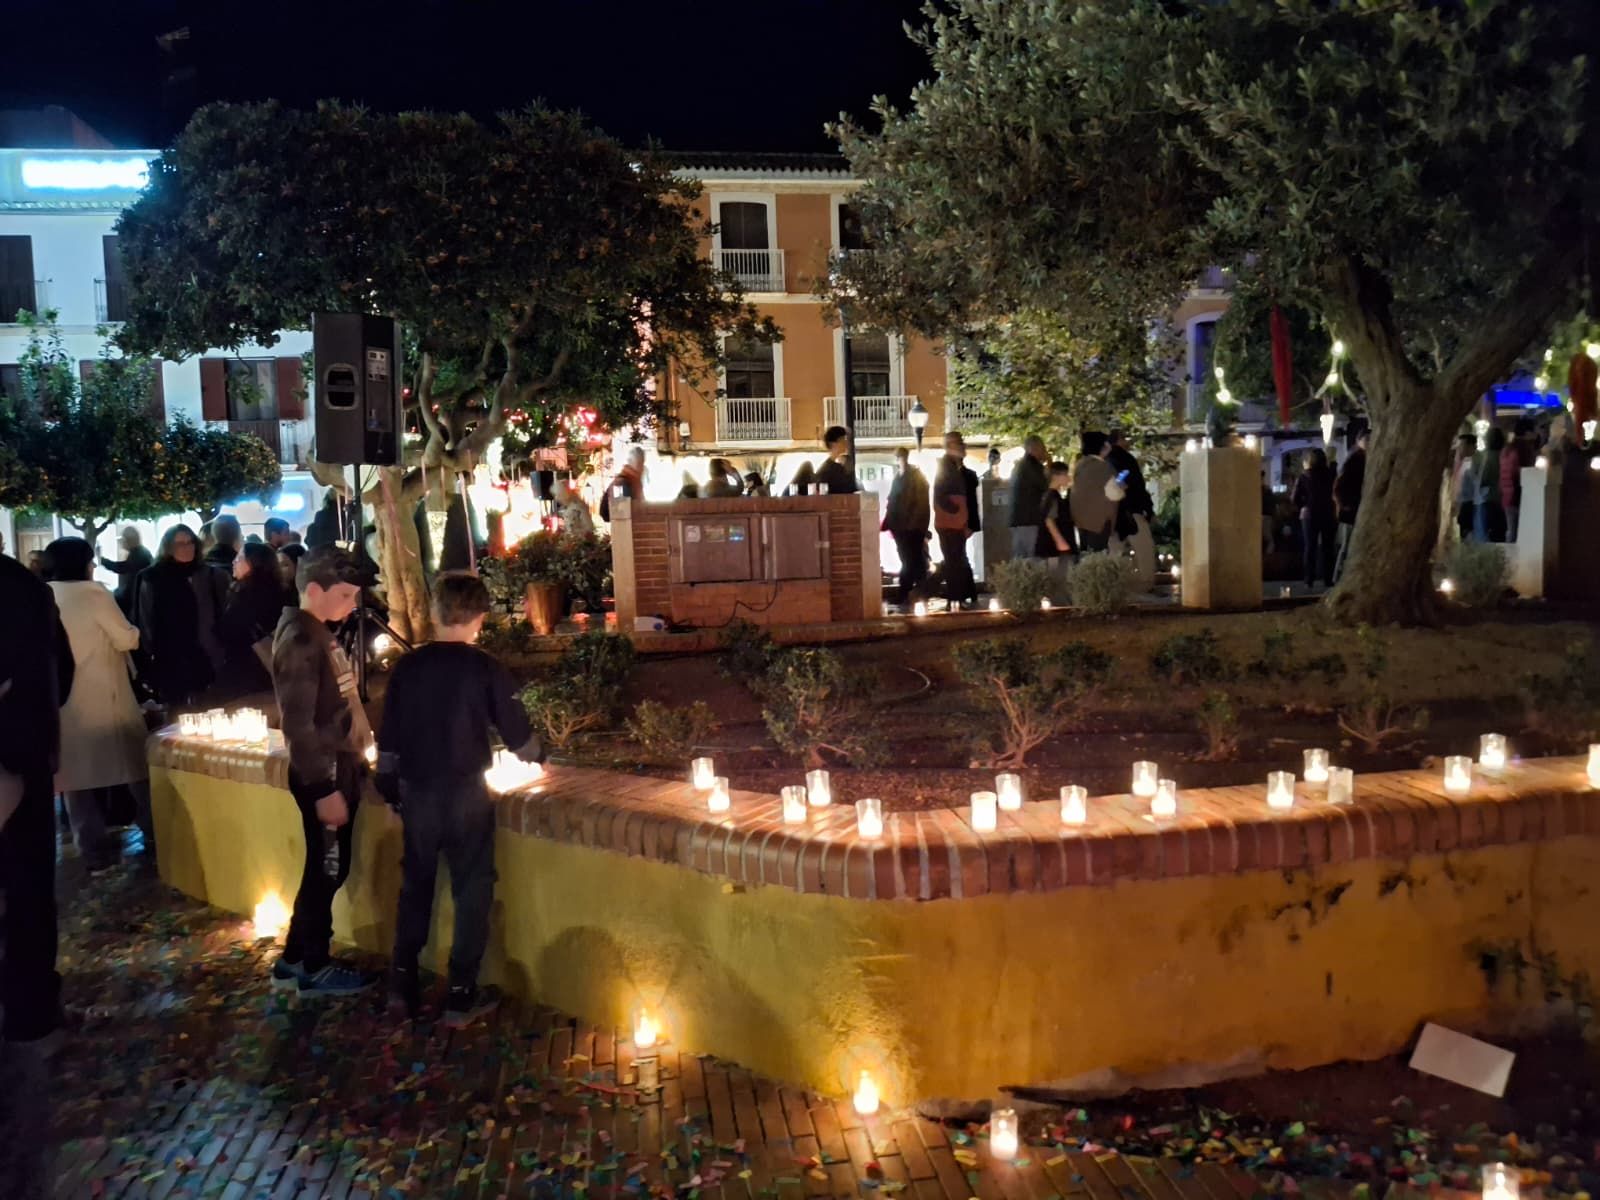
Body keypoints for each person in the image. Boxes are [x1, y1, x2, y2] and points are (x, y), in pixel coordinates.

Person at [375, 573, 545, 1024]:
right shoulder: (484, 667)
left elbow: (387, 740)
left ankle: (401, 982)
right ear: (480, 618)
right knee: (473, 887)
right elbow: (519, 737)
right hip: (466, 792)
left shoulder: (407, 668)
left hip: (418, 792)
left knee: (416, 886)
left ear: (434, 613)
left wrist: (391, 793)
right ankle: (460, 990)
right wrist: (541, 755)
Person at [269, 545, 374, 997]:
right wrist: (323, 788)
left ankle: (295, 957)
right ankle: (314, 963)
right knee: (329, 869)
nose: (352, 605)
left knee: (325, 866)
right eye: (346, 595)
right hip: (325, 773)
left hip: (337, 767)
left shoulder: (315, 630)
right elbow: (297, 722)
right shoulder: (301, 639)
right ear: (314, 589)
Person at [0, 547, 74, 1053]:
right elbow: (60, 674)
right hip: (24, 752)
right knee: (27, 884)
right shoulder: (25, 588)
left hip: (18, 751)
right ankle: (30, 1007)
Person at [44, 537, 149, 872]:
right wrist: (134, 631)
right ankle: (157, 834)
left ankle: (91, 851)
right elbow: (124, 637)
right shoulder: (95, 594)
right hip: (106, 694)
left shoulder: (46, 594)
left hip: (64, 700)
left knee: (74, 780)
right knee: (136, 766)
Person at [133, 523, 229, 708]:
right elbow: (145, 620)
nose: (186, 548)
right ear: (168, 547)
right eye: (179, 544)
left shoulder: (209, 574)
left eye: (190, 542)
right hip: (170, 658)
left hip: (207, 656)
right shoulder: (152, 577)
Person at [215, 543, 290, 701]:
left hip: (248, 674)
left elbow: (231, 631)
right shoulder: (279, 592)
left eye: (240, 557)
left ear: (255, 563)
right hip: (269, 672)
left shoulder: (246, 597)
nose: (234, 561)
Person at [933, 431, 980, 609]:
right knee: (954, 562)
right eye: (958, 443)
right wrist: (958, 511)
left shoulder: (954, 468)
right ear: (950, 446)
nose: (962, 446)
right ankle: (954, 599)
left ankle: (957, 598)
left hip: (954, 522)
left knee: (956, 561)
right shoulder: (946, 467)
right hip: (951, 523)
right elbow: (940, 494)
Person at [1108, 430, 1157, 587]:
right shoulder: (1126, 459)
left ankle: (1111, 583)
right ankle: (1146, 582)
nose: (1128, 442)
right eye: (1126, 438)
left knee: (1115, 549)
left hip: (1112, 513)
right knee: (1144, 549)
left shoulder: (1105, 461)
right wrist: (1148, 510)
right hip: (1132, 510)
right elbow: (1138, 486)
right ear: (1119, 440)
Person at [884, 446, 931, 608]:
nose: (900, 460)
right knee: (911, 560)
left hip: (912, 527)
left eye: (901, 457)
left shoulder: (914, 476)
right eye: (898, 457)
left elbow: (921, 503)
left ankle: (907, 593)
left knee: (910, 560)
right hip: (901, 527)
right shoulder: (899, 477)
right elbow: (892, 500)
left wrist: (918, 525)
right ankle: (917, 592)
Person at [1291, 449, 1337, 588]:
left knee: (1310, 547)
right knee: (1328, 548)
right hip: (1328, 514)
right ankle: (1328, 580)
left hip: (1309, 515)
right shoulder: (1330, 474)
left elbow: (1295, 498)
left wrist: (1303, 506)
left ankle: (1308, 579)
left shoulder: (1304, 476)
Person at [1069, 432, 1117, 552]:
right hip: (1099, 520)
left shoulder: (1080, 465)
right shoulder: (1104, 467)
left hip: (1080, 520)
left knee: (1086, 554)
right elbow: (1114, 493)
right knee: (1098, 556)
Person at [1332, 428, 1368, 578]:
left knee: (1353, 543)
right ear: (1358, 441)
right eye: (1366, 440)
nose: (1369, 443)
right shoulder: (1354, 459)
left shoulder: (1364, 457)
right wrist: (1344, 504)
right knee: (1347, 544)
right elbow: (1339, 486)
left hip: (1358, 506)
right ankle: (1339, 575)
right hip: (1351, 508)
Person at [1007, 435, 1049, 561]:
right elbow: (1045, 486)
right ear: (1034, 449)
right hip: (1029, 520)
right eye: (1042, 448)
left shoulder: (1020, 466)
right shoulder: (1033, 467)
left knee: (1020, 559)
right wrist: (1048, 465)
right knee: (1031, 560)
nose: (1044, 452)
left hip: (1018, 519)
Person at [100, 526, 153, 616]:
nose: (121, 542)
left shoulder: (138, 554)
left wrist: (103, 561)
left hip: (136, 598)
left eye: (123, 539)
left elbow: (122, 568)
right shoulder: (141, 552)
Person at [1501, 417, 1536, 542]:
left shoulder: (1507, 449)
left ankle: (1508, 560)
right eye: (1533, 431)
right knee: (1518, 534)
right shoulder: (1524, 449)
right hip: (1518, 495)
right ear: (1527, 433)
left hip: (1506, 495)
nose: (1535, 434)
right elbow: (1526, 473)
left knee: (1511, 531)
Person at [1036, 461, 1076, 569]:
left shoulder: (1050, 495)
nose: (1068, 477)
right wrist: (1060, 542)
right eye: (1065, 474)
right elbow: (1049, 520)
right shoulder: (1052, 497)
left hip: (1052, 547)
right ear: (1056, 476)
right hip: (1053, 548)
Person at [1473, 427, 1507, 544]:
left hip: (1489, 498)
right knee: (1500, 533)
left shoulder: (1488, 457)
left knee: (1487, 535)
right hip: (1503, 498)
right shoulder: (1504, 455)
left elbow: (1483, 479)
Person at [599, 446, 646, 523]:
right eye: (640, 463)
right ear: (632, 462)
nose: (642, 467)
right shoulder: (621, 483)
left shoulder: (633, 481)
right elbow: (621, 513)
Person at [813, 426, 860, 495]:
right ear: (833, 444)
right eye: (842, 440)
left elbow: (852, 488)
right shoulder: (825, 469)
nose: (846, 443)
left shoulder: (847, 462)